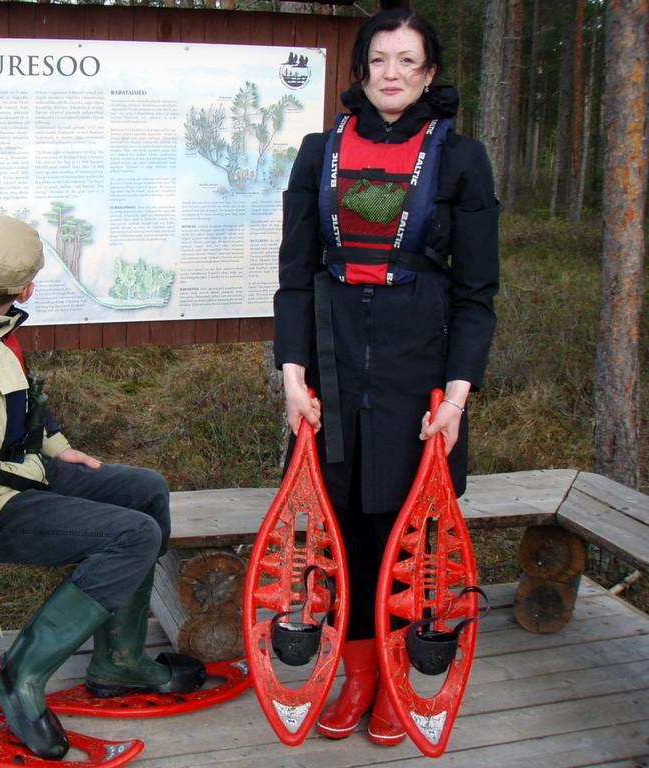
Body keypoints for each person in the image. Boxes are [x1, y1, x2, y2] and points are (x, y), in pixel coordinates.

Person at [0, 215, 205, 760]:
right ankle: (20, 674)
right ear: (28, 288)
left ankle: (118, 663)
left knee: (146, 490)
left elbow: (12, 386)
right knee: (134, 536)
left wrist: (52, 442)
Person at [273, 9, 498, 747]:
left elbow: (476, 294)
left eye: (407, 61)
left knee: (410, 533)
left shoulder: (462, 161)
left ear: (430, 73)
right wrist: (292, 376)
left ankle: (399, 680)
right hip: (334, 361)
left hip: (419, 368)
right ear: (362, 71)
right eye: (379, 60)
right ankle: (358, 673)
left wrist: (459, 395)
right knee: (339, 528)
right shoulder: (318, 152)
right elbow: (296, 276)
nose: (392, 73)